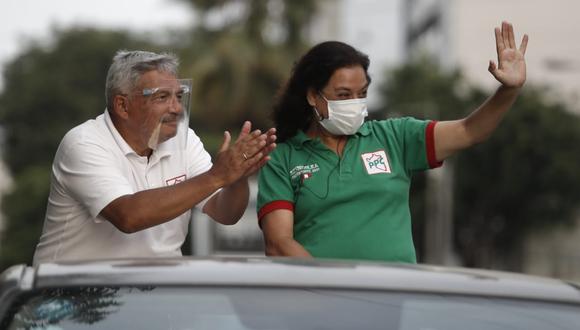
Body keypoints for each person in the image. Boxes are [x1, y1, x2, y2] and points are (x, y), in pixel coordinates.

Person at [257, 21, 528, 262]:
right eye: (343, 94)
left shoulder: (395, 137)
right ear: (313, 96)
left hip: (393, 298)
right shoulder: (282, 158)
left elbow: (470, 131)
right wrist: (333, 289)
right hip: (319, 303)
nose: (354, 102)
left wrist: (508, 90)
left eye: (361, 93)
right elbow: (279, 244)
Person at [33, 50, 276, 265]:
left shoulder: (185, 139)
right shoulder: (84, 143)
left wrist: (236, 177)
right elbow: (128, 216)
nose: (177, 108)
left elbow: (225, 214)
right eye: (162, 97)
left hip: (155, 293)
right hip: (72, 296)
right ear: (122, 105)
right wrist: (218, 176)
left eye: (179, 97)